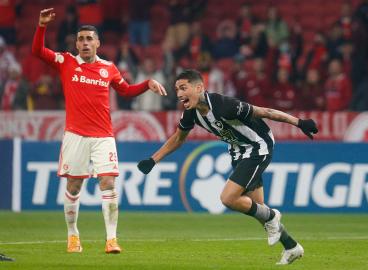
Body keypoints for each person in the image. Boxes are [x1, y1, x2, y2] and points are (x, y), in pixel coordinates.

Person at [137, 69, 318, 265]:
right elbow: (178, 138)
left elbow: (266, 112)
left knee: (229, 198)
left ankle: (273, 217)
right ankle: (291, 247)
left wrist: (299, 122)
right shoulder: (191, 113)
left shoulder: (224, 105)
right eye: (177, 89)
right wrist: (153, 159)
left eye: (183, 88)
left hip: (258, 146)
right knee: (259, 210)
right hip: (238, 150)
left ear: (199, 87)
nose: (179, 94)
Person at [32, 8, 167, 254]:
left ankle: (111, 239)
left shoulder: (109, 68)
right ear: (76, 43)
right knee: (74, 186)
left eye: (89, 39)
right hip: (75, 135)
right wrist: (42, 26)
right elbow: (37, 52)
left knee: (109, 182)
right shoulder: (66, 61)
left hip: (104, 136)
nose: (84, 43)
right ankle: (73, 235)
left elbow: (125, 90)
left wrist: (147, 84)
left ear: (97, 43)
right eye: (80, 39)